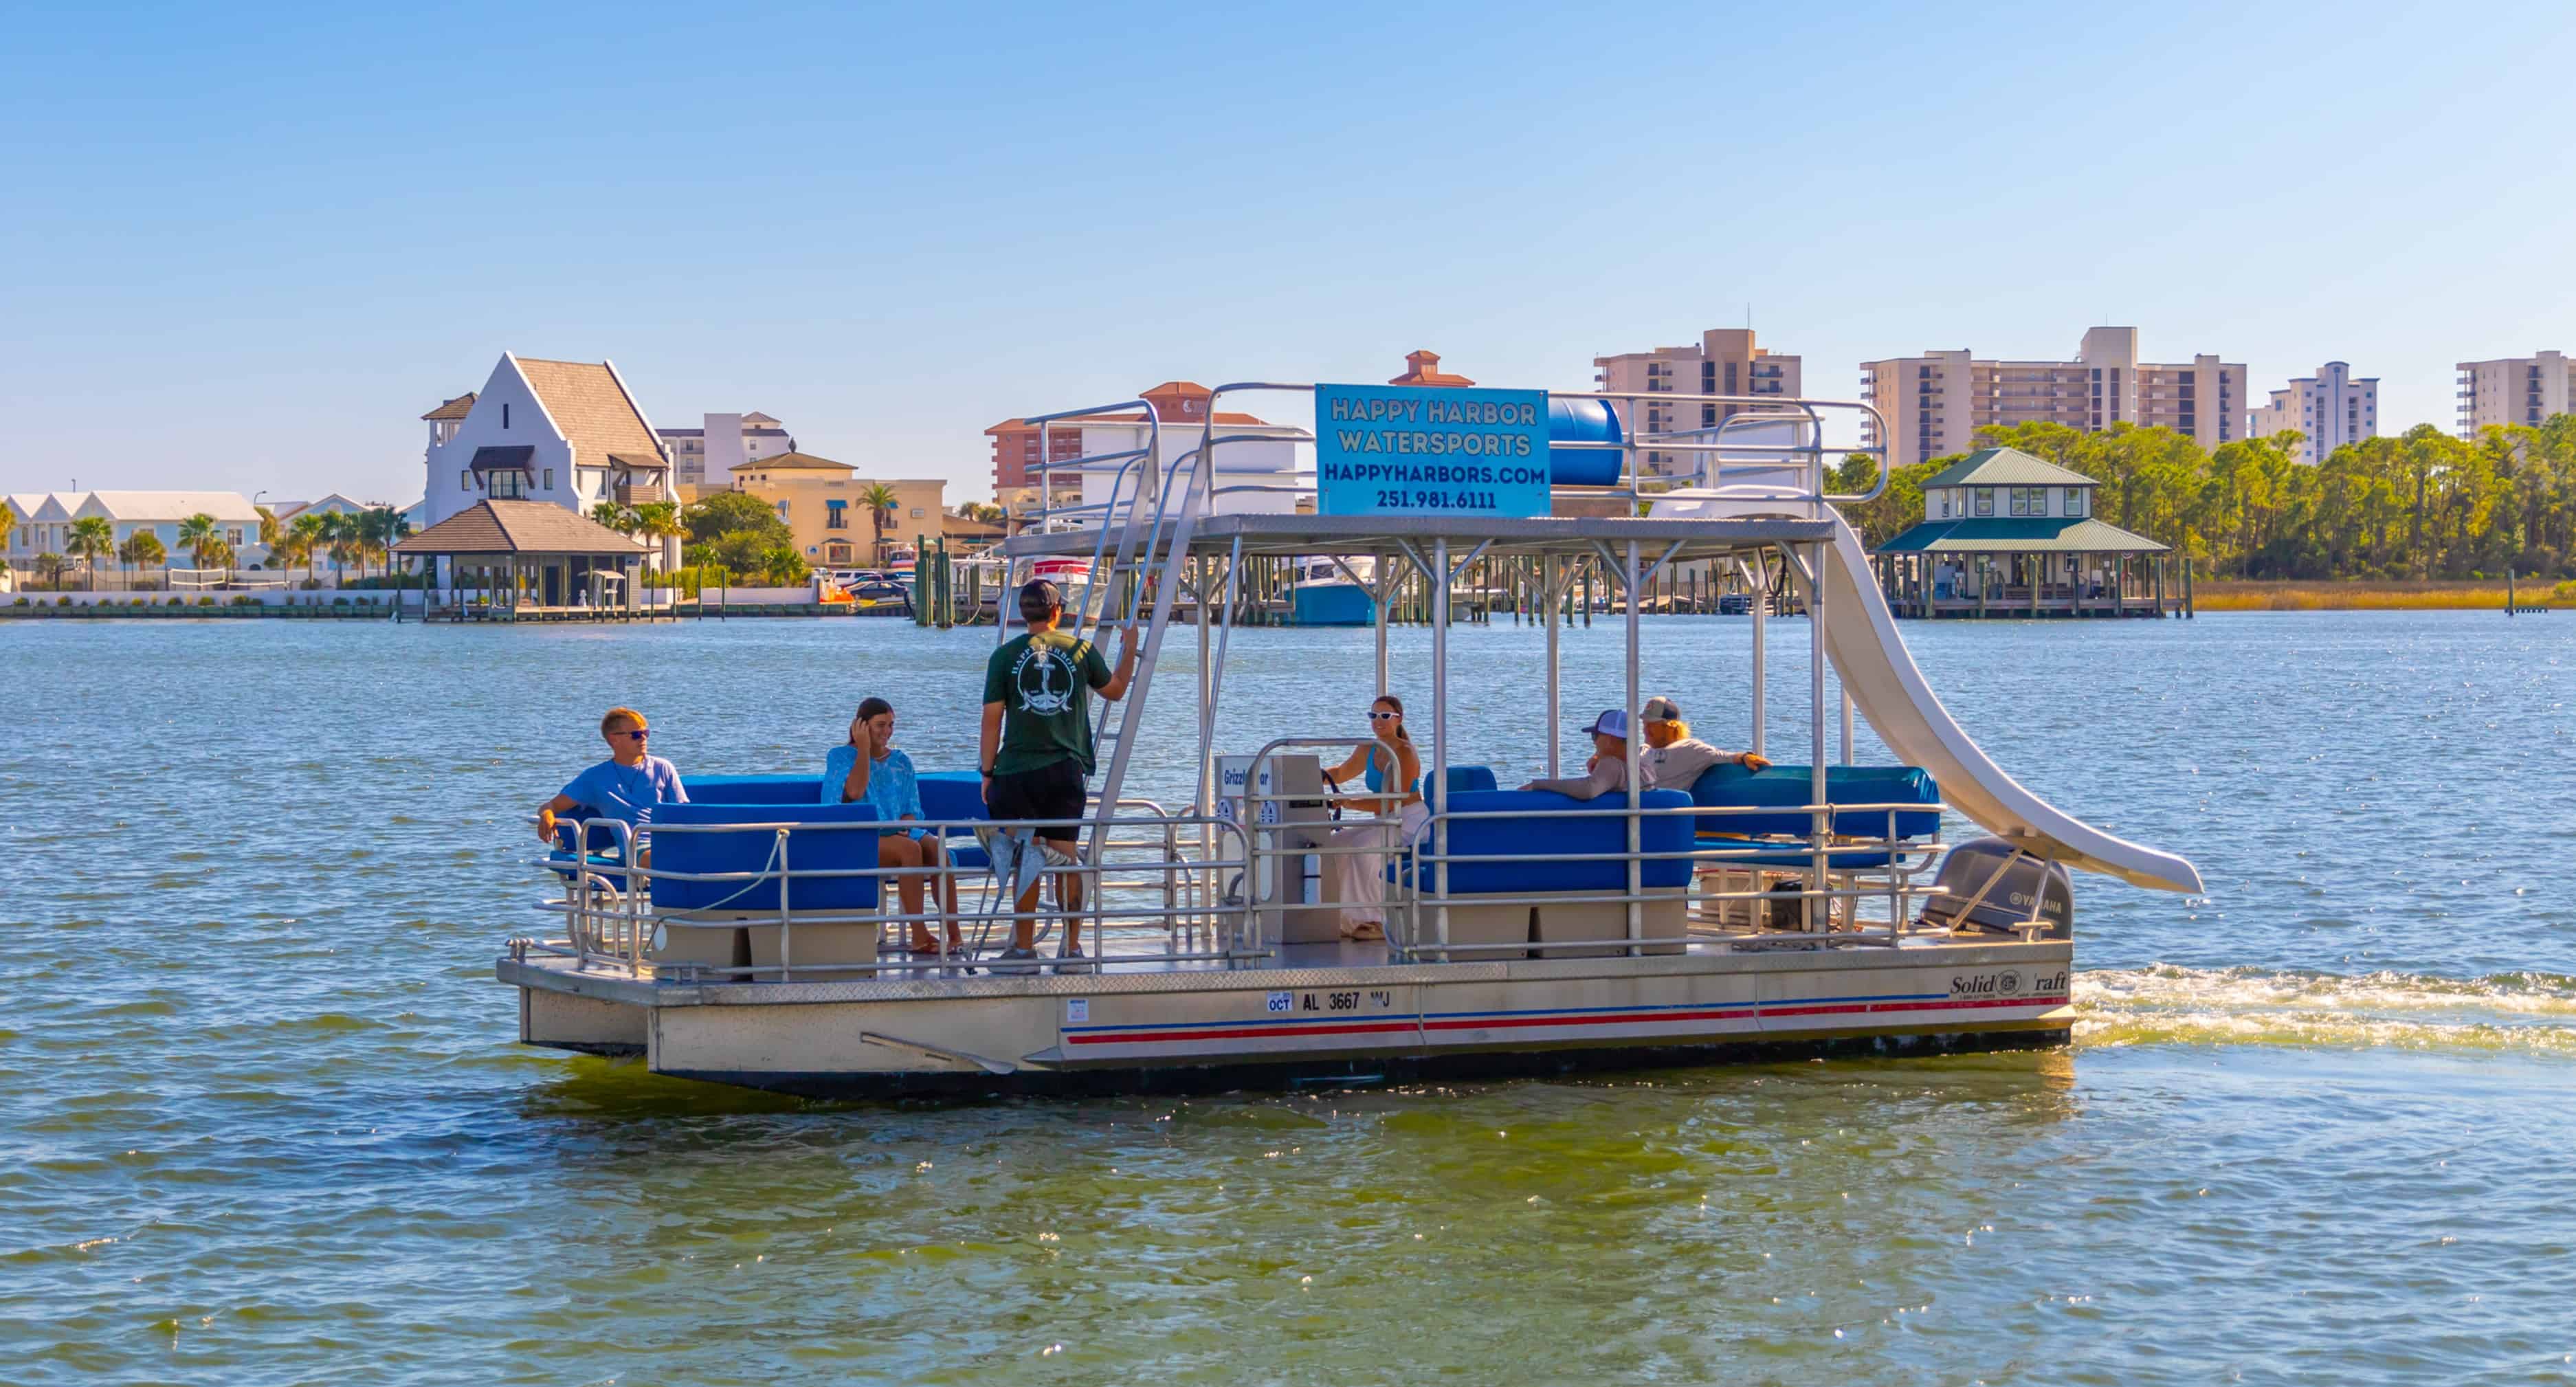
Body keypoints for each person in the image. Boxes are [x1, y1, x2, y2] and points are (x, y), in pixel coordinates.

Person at [979, 579, 1138, 968]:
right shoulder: (1081, 650)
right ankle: (1072, 947)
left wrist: (987, 772)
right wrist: (1130, 646)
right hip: (1065, 771)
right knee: (1066, 857)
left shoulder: (1003, 656)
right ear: (1058, 611)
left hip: (1015, 771)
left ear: (1022, 613)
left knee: (1024, 857)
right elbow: (1116, 691)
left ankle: (1024, 948)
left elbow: (991, 721)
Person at [824, 697, 962, 959]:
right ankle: (919, 936)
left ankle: (954, 935)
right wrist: (863, 749)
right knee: (909, 851)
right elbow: (853, 791)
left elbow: (912, 810)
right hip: (859, 839)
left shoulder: (901, 762)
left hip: (900, 833)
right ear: (860, 726)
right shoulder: (840, 757)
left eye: (891, 725)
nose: (887, 732)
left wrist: (905, 827)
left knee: (937, 850)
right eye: (880, 725)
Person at [1321, 694, 1427, 942]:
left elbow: (1394, 800)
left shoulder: (1406, 752)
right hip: (1383, 820)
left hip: (1409, 821)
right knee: (1333, 845)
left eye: (1385, 716)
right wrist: (1317, 775)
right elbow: (1343, 772)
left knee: (1364, 849)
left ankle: (1377, 920)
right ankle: (1344, 919)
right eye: (1373, 716)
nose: (1378, 721)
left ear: (1399, 719)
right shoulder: (1369, 748)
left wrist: (1348, 803)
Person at [536, 707, 687, 866]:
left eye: (645, 733)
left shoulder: (663, 768)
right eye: (636, 735)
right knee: (671, 862)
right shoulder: (594, 778)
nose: (643, 738)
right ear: (615, 739)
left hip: (670, 842)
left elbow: (682, 812)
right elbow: (551, 805)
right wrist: (547, 815)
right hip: (636, 848)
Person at [1639, 696, 1768, 792]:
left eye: (1651, 725)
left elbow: (1723, 756)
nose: (1645, 730)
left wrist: (1745, 757)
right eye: (1645, 724)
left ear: (1671, 727)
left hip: (1659, 813)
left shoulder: (1690, 749)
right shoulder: (1641, 751)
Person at [1519, 709, 1645, 801]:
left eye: (1595, 736)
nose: (1594, 742)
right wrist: (1599, 755)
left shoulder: (1612, 765)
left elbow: (1588, 789)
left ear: (1610, 740)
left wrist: (1540, 785)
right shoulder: (1643, 763)